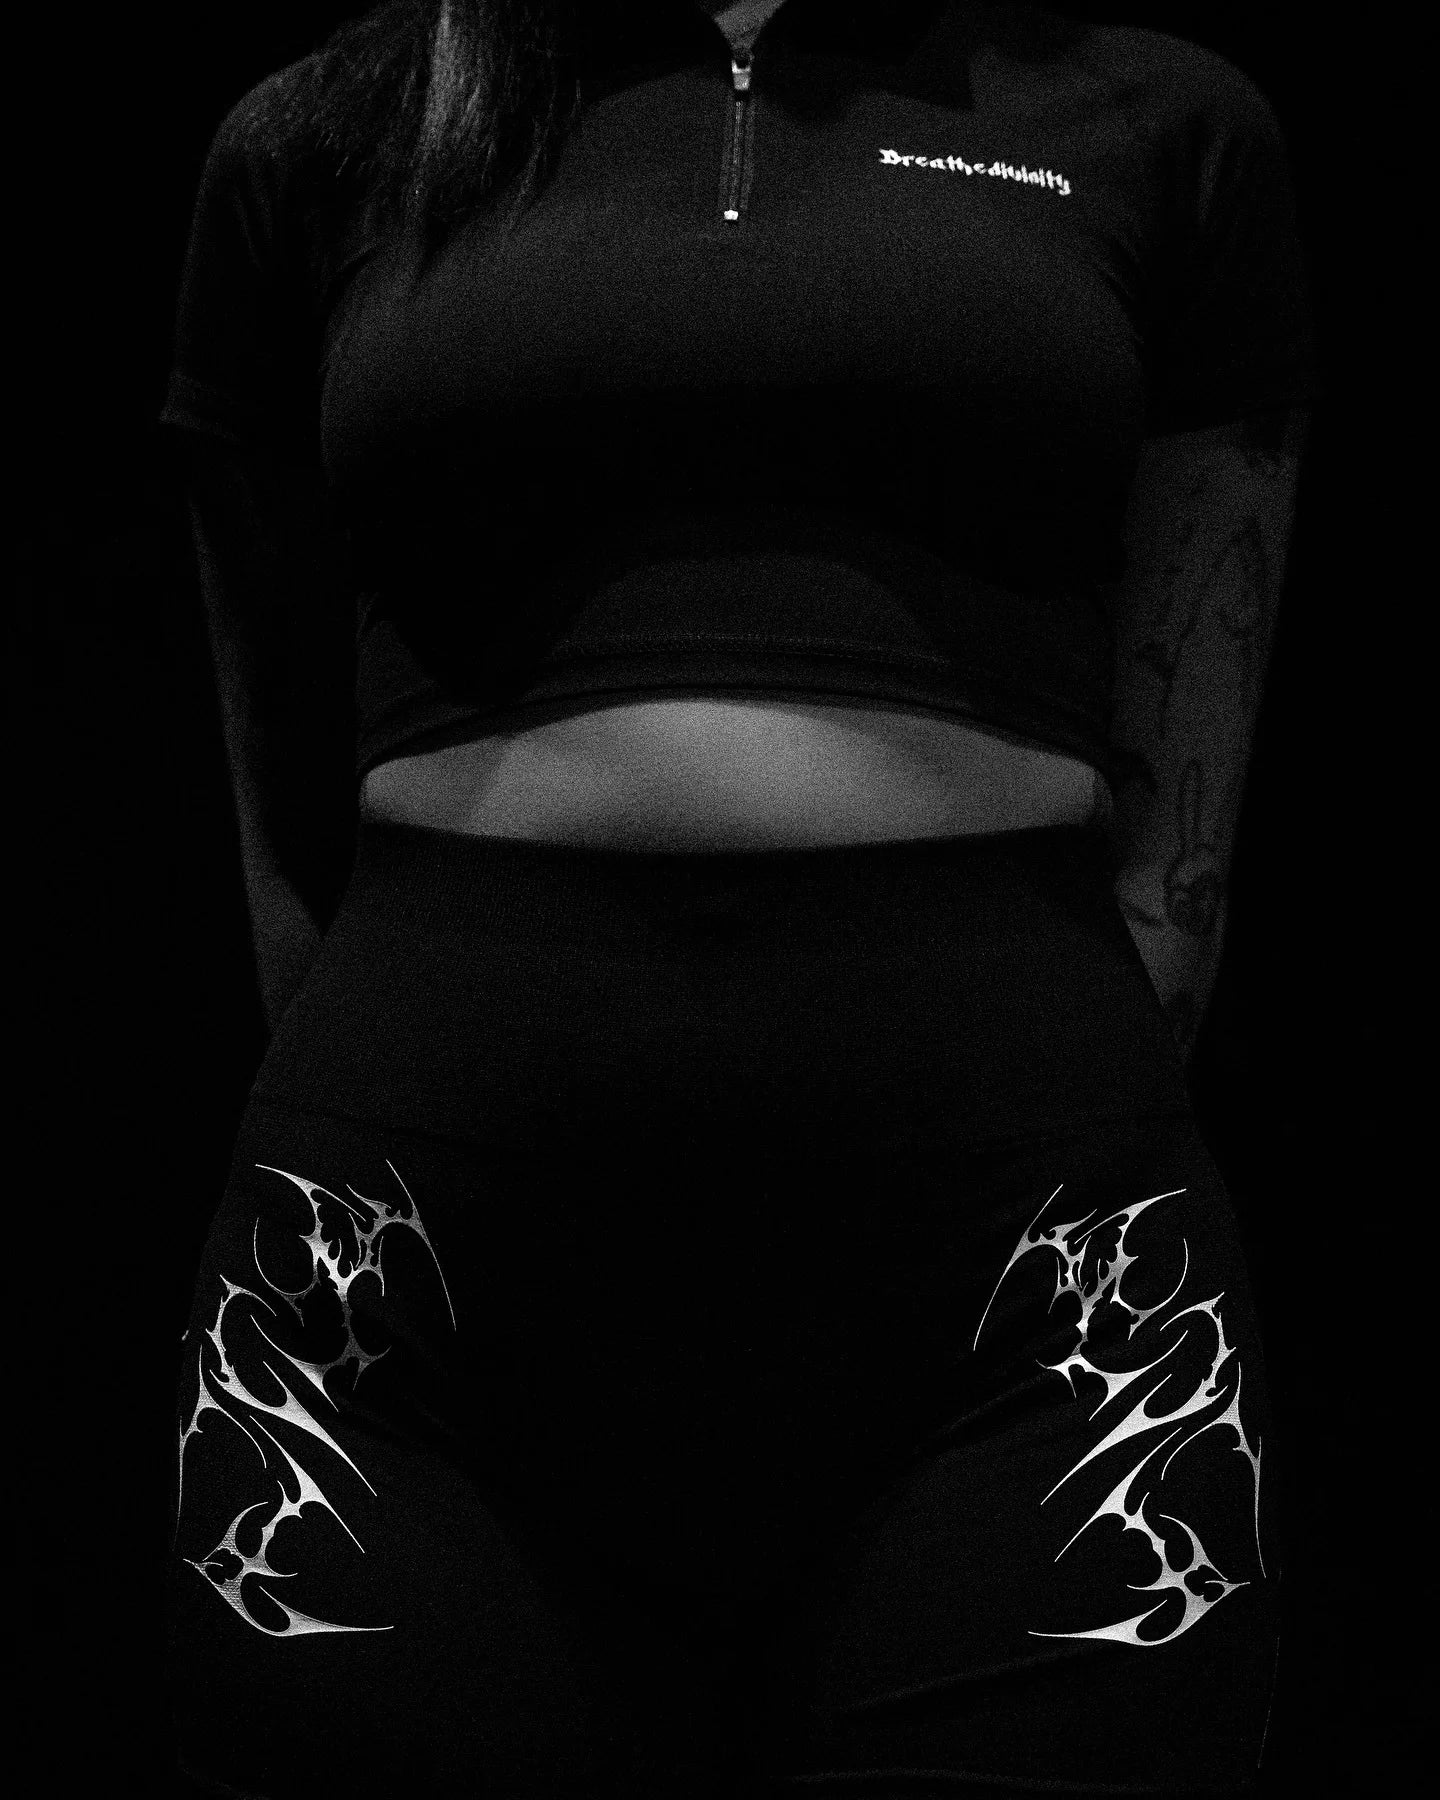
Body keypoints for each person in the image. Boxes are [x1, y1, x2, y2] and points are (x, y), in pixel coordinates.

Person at [160, 2, 1320, 1795]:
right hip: (405, 1293)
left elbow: (1192, 786)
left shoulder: (1162, 122)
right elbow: (272, 755)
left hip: (1035, 1287)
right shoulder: (326, 132)